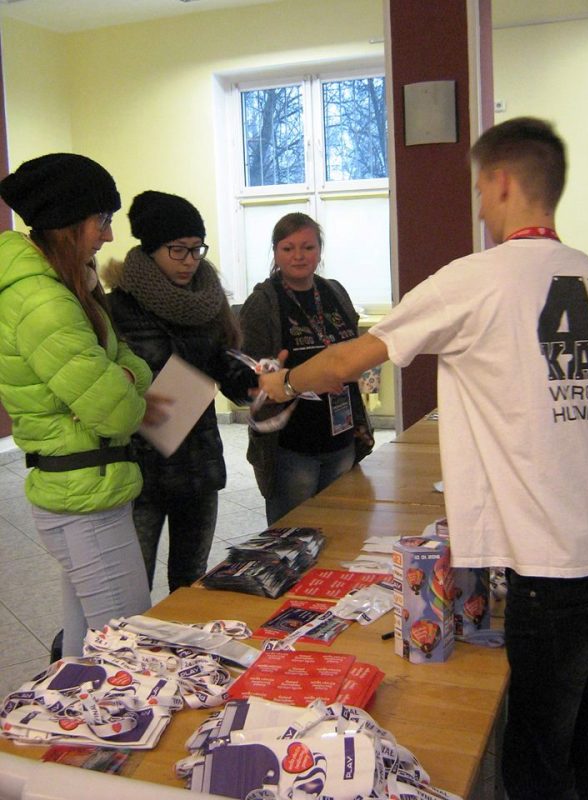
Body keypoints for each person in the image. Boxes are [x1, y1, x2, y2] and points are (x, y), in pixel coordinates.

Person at [259, 118, 588, 800]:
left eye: (479, 189)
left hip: (549, 557)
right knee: (583, 728)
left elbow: (348, 361)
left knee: (536, 750)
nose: (479, 206)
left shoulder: (475, 279)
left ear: (501, 183)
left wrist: (283, 383)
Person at [0, 153, 157, 657]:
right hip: (84, 499)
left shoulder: (66, 288)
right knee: (128, 651)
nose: (108, 236)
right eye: (102, 220)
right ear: (67, 223)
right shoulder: (45, 303)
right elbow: (119, 411)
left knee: (82, 647)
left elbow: (129, 362)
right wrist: (126, 383)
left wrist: (124, 376)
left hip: (84, 487)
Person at [103, 190, 257, 592]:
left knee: (191, 583)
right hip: (141, 472)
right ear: (151, 248)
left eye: (197, 249)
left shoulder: (207, 302)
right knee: (132, 585)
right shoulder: (116, 309)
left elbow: (224, 365)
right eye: (178, 250)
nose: (190, 260)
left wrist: (259, 381)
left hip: (198, 467)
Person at [239, 212, 371, 525]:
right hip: (292, 446)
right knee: (293, 537)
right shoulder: (263, 303)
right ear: (275, 253)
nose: (298, 256)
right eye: (288, 248)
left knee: (338, 531)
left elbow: (352, 350)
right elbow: (249, 377)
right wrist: (292, 377)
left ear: (319, 251)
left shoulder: (334, 292)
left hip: (341, 438)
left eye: (308, 247)